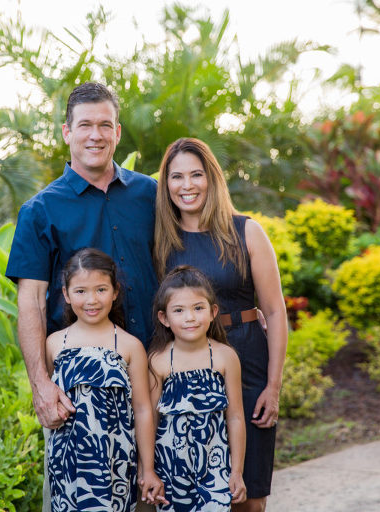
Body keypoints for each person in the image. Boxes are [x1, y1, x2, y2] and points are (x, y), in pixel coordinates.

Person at [6, 81, 158, 430]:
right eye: (85, 125)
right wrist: (41, 385)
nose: (96, 135)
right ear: (67, 132)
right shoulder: (40, 210)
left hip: (155, 369)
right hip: (81, 385)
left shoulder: (149, 194)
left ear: (117, 133)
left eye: (105, 125)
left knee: (157, 484)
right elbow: (30, 302)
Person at [154, 138, 288, 512]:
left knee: (250, 494)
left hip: (247, 362)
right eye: (176, 176)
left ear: (212, 178)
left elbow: (275, 312)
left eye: (196, 174)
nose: (187, 185)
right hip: (185, 374)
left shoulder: (246, 232)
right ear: (165, 185)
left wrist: (273, 387)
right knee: (192, 493)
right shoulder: (160, 240)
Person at [45, 248, 167, 510]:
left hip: (116, 460)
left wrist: (148, 468)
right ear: (66, 294)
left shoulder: (129, 345)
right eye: (80, 291)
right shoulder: (54, 343)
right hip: (68, 462)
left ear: (115, 291)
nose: (92, 300)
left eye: (101, 289)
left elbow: (143, 409)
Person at [148, 265, 247, 511]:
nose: (190, 317)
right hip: (170, 473)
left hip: (215, 470)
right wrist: (147, 470)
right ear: (164, 318)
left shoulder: (225, 357)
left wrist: (236, 472)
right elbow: (149, 419)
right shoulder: (158, 361)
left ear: (213, 312)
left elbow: (235, 417)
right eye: (179, 310)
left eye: (198, 308)